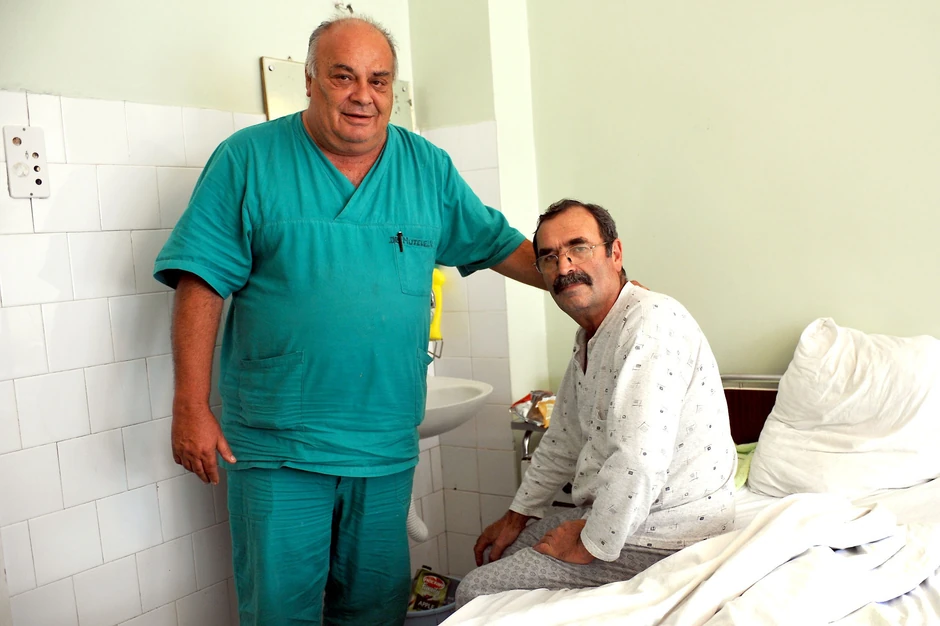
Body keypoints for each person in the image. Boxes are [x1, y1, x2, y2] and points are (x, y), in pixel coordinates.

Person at [153, 16, 544, 626]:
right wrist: (190, 406)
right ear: (310, 82)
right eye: (344, 77)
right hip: (281, 449)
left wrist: (594, 286)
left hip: (384, 447)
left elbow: (499, 244)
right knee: (279, 612)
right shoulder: (248, 159)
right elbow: (200, 280)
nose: (364, 95)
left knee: (374, 611)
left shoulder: (425, 168)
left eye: (379, 80)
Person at [457, 199, 737, 607]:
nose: (565, 266)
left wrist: (589, 544)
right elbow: (563, 440)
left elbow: (639, 459)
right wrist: (518, 515)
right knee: (503, 551)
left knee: (474, 591)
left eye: (579, 247)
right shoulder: (592, 337)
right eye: (549, 257)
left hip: (666, 535)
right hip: (624, 518)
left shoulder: (651, 323)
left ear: (615, 253)